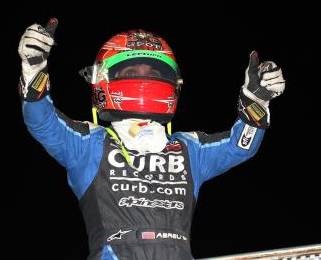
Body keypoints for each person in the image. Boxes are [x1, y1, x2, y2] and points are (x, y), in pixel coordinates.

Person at [18, 19, 285, 260]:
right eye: (132, 72)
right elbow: (43, 123)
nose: (144, 79)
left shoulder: (188, 148)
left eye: (154, 73)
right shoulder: (90, 144)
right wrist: (34, 69)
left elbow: (240, 147)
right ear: (102, 79)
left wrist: (256, 101)